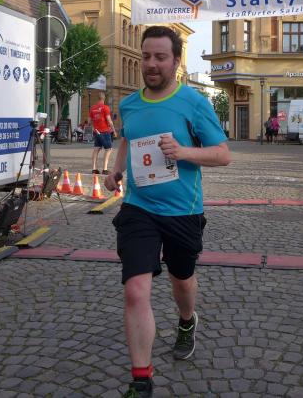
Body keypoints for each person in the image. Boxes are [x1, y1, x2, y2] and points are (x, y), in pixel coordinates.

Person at [103, 26, 231, 398]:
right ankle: (141, 380)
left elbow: (223, 154)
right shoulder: (129, 104)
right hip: (138, 208)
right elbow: (128, 139)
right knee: (135, 289)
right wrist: (115, 171)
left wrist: (184, 152)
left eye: (160, 57)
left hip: (182, 211)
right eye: (146, 56)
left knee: (181, 280)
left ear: (176, 61)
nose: (151, 64)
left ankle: (187, 320)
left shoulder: (193, 102)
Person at [90, 91, 117, 175]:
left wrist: (94, 127)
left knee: (96, 149)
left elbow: (89, 121)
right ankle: (105, 169)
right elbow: (109, 120)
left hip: (96, 131)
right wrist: (114, 130)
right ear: (104, 98)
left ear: (97, 98)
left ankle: (94, 169)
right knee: (108, 149)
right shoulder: (105, 108)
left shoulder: (92, 108)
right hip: (105, 131)